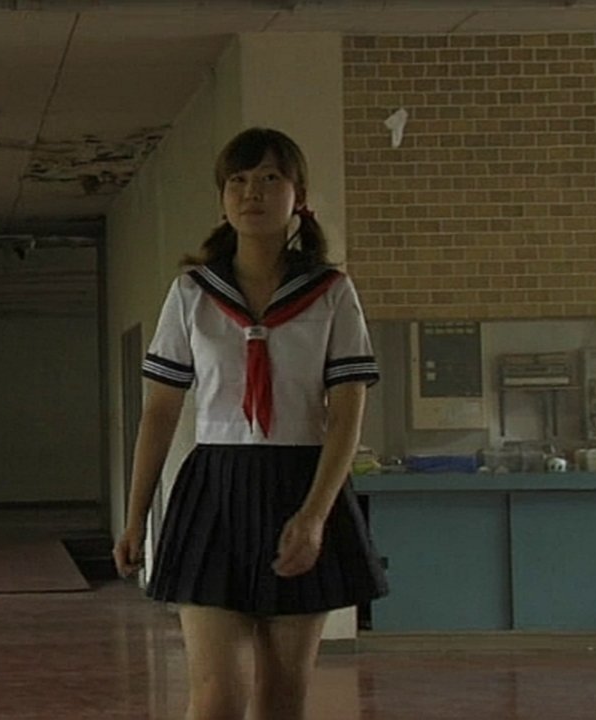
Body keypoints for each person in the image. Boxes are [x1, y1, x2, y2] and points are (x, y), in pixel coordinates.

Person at [112, 127, 388, 720]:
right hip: (214, 488)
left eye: (269, 178)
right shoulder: (192, 293)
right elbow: (160, 411)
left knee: (282, 697)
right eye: (237, 180)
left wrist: (314, 516)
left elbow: (346, 413)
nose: (252, 192)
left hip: (301, 482)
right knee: (215, 698)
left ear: (298, 196)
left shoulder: (331, 293)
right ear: (222, 199)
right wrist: (136, 518)